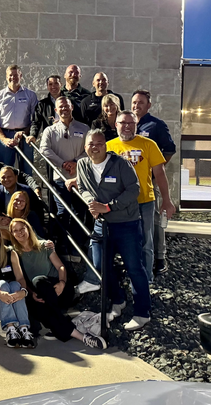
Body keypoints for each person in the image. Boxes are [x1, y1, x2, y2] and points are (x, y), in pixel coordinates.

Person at [69, 129, 152, 331]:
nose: (95, 147)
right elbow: (83, 188)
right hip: (102, 225)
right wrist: (91, 203)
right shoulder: (83, 164)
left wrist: (108, 207)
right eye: (91, 144)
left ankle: (142, 313)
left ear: (105, 146)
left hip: (126, 224)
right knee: (100, 265)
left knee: (134, 267)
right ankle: (118, 300)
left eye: (99, 143)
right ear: (85, 147)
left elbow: (134, 189)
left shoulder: (120, 164)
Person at [8, 218, 107, 349]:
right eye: (15, 231)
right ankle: (83, 337)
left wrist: (62, 282)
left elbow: (60, 267)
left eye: (22, 228)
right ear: (12, 234)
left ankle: (60, 326)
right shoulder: (14, 253)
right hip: (41, 295)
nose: (20, 232)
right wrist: (31, 294)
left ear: (29, 229)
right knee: (38, 308)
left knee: (38, 280)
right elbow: (20, 278)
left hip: (59, 289)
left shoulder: (44, 246)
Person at [106, 111, 175, 283]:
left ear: (137, 125)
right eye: (123, 123)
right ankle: (119, 279)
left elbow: (160, 173)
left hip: (144, 202)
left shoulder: (149, 144)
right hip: (119, 204)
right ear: (116, 125)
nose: (127, 126)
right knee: (117, 242)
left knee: (146, 243)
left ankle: (146, 280)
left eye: (131, 123)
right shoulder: (108, 147)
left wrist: (167, 200)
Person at [132, 89, 177, 275]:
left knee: (155, 220)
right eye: (134, 102)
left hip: (150, 181)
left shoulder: (156, 125)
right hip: (129, 184)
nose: (136, 105)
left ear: (149, 105)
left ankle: (160, 257)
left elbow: (170, 149)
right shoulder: (128, 124)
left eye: (141, 102)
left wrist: (154, 168)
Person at [39, 96, 89, 258]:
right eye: (60, 107)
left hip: (80, 178)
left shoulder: (84, 128)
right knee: (63, 213)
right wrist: (62, 164)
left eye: (67, 106)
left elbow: (90, 149)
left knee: (79, 212)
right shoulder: (50, 131)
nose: (64, 109)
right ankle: (62, 246)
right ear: (56, 110)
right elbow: (44, 149)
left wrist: (76, 162)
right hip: (60, 179)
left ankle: (76, 247)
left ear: (72, 107)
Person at [0, 223, 34, 348]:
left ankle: (24, 329)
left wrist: (23, 291)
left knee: (15, 284)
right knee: (2, 284)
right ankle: (10, 329)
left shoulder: (10, 253)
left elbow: (20, 278)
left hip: (13, 292)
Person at [0, 65, 39, 174]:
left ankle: (26, 186)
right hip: (5, 135)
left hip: (24, 136)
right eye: (10, 75)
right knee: (5, 170)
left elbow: (35, 119)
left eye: (16, 75)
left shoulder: (30, 95)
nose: (13, 78)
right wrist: (4, 139)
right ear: (6, 77)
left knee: (27, 169)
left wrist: (25, 132)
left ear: (21, 76)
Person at [30, 75, 63, 145]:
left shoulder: (69, 102)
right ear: (47, 87)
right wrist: (33, 135)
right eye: (50, 84)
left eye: (56, 83)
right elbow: (36, 122)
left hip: (66, 137)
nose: (53, 86)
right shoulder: (42, 104)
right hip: (50, 138)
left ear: (61, 85)